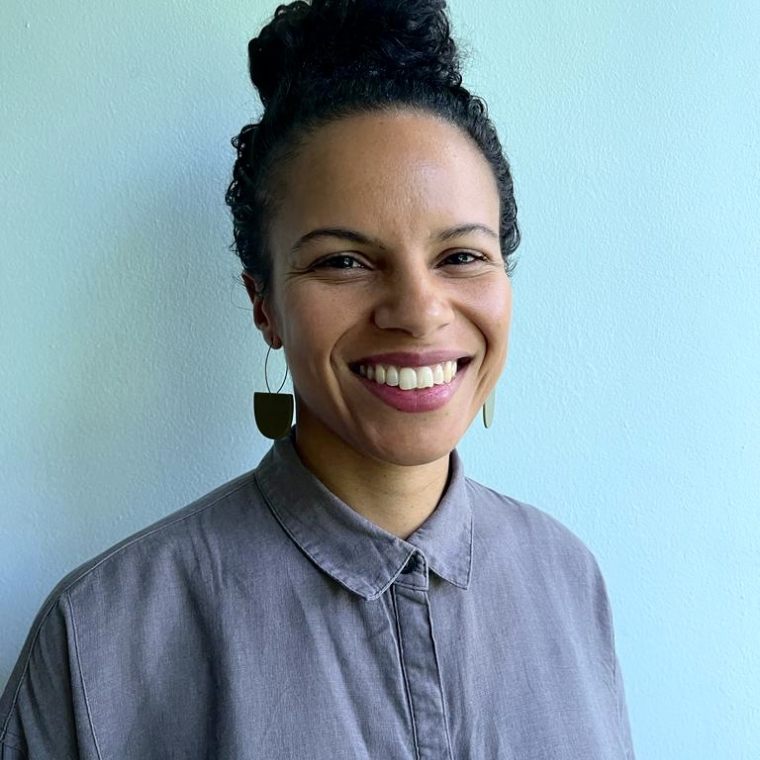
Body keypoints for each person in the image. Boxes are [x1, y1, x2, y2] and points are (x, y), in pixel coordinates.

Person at [0, 0, 635, 757]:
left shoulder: (570, 581)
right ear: (264, 305)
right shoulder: (99, 638)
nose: (417, 312)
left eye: (461, 255)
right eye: (344, 261)